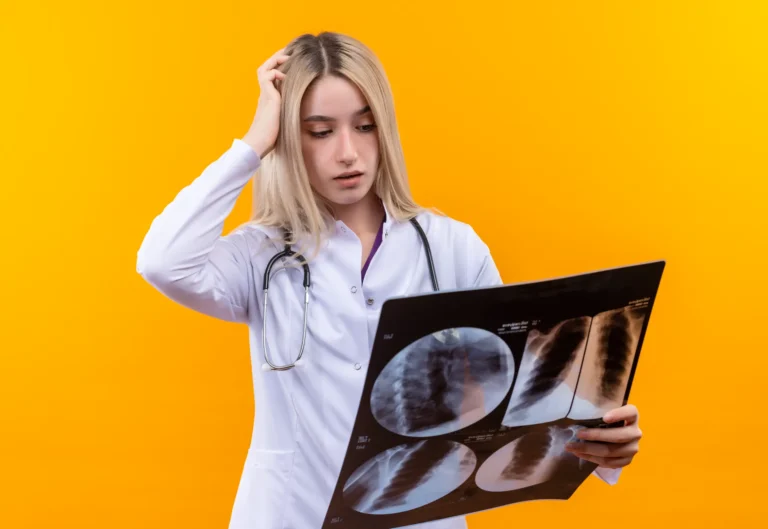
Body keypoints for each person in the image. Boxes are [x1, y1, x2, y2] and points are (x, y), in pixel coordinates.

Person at [136, 31, 643, 529]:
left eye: (365, 125)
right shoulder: (262, 254)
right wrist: (253, 143)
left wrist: (600, 444)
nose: (348, 153)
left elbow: (523, 392)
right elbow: (162, 260)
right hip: (293, 515)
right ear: (289, 138)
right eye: (319, 131)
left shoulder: (451, 248)